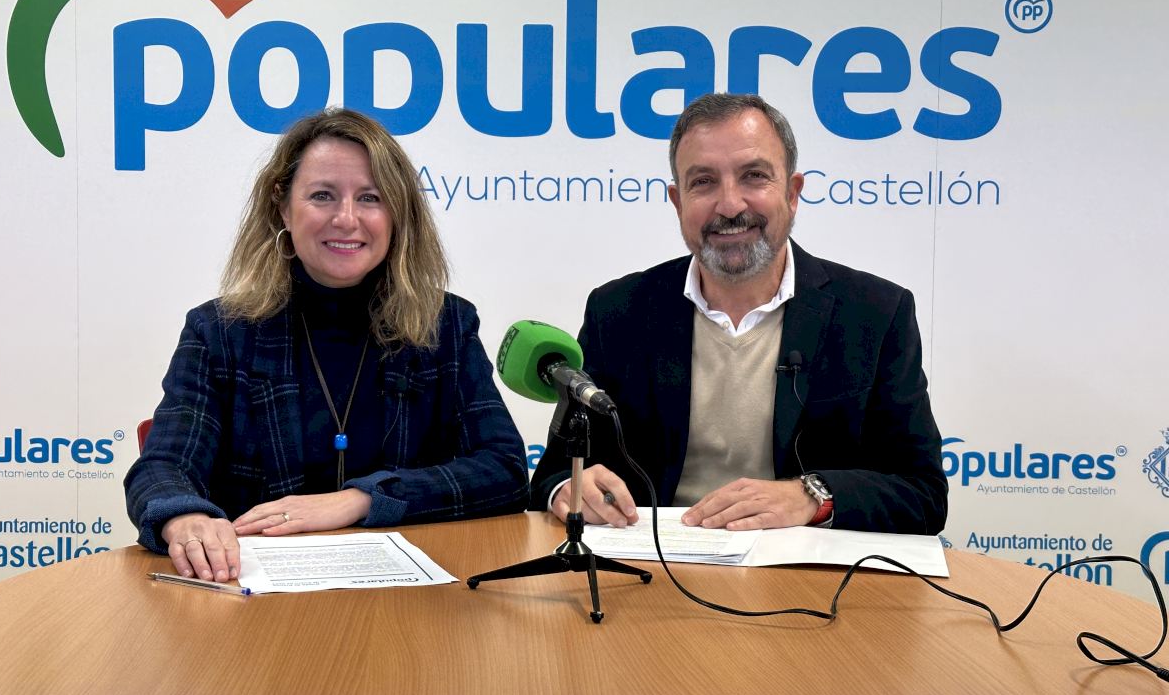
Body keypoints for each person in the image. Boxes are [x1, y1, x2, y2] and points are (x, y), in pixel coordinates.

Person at [125, 108, 529, 582]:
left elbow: (504, 470)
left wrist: (361, 500)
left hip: (411, 601)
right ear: (282, 207)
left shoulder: (446, 325)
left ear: (397, 214)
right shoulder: (219, 332)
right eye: (322, 196)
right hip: (255, 602)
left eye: (370, 198)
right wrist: (185, 517)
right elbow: (163, 466)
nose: (346, 218)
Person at [531, 93, 946, 534]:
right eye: (703, 182)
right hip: (652, 565)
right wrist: (571, 489)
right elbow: (555, 475)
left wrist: (812, 497)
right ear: (678, 202)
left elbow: (923, 494)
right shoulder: (618, 311)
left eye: (754, 176)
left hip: (805, 567)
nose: (730, 205)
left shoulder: (875, 314)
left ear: (792, 193)